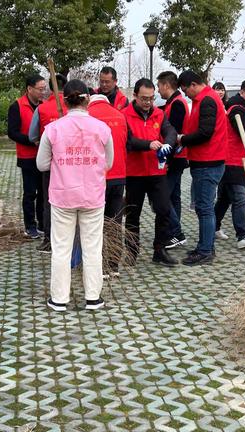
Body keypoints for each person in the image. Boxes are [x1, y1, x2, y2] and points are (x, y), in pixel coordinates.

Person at [36, 80, 114, 311]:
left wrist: (61, 164)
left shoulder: (53, 129)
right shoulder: (102, 128)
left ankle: (59, 299)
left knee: (61, 248)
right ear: (88, 99)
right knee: (92, 246)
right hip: (93, 195)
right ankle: (93, 297)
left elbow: (41, 164)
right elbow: (108, 163)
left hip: (62, 196)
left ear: (65, 101)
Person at [122, 78, 178, 267]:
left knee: (164, 210)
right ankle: (131, 251)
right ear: (135, 96)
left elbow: (170, 131)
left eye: (151, 99)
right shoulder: (124, 116)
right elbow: (128, 141)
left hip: (157, 172)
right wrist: (148, 144)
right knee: (132, 214)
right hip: (134, 173)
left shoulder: (159, 114)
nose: (148, 103)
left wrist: (169, 144)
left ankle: (159, 250)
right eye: (144, 99)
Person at [177, 70, 228, 266]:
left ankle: (206, 250)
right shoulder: (204, 99)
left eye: (185, 90)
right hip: (204, 160)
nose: (185, 94)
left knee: (205, 207)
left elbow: (205, 132)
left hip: (209, 161)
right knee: (203, 206)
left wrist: (183, 139)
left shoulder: (207, 100)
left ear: (192, 84)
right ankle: (204, 246)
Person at [214, 79, 245, 249]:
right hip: (232, 160)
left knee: (225, 199)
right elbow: (243, 131)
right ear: (242, 92)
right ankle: (243, 235)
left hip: (237, 159)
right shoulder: (237, 109)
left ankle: (213, 227)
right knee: (240, 198)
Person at [88, 93, 128, 277]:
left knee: (95, 223)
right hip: (119, 176)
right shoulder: (120, 115)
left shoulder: (88, 116)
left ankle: (100, 265)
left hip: (96, 177)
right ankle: (113, 265)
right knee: (115, 221)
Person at [28, 74, 68, 253]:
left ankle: (49, 240)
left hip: (51, 165)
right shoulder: (75, 108)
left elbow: (32, 136)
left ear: (51, 89)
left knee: (49, 201)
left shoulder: (42, 109)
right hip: (73, 164)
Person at [8, 73, 46, 239]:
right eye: (39, 89)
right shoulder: (17, 106)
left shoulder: (44, 106)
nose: (42, 92)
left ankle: (43, 224)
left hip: (43, 156)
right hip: (27, 157)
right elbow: (12, 132)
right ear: (29, 89)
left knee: (44, 193)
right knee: (30, 193)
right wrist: (32, 141)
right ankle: (30, 226)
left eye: (44, 89)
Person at [157, 71, 190, 249]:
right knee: (174, 196)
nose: (158, 90)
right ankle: (172, 233)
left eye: (159, 86)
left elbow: (172, 134)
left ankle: (176, 232)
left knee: (163, 196)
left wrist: (166, 160)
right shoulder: (174, 102)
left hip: (174, 156)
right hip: (178, 156)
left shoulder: (177, 104)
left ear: (166, 85)